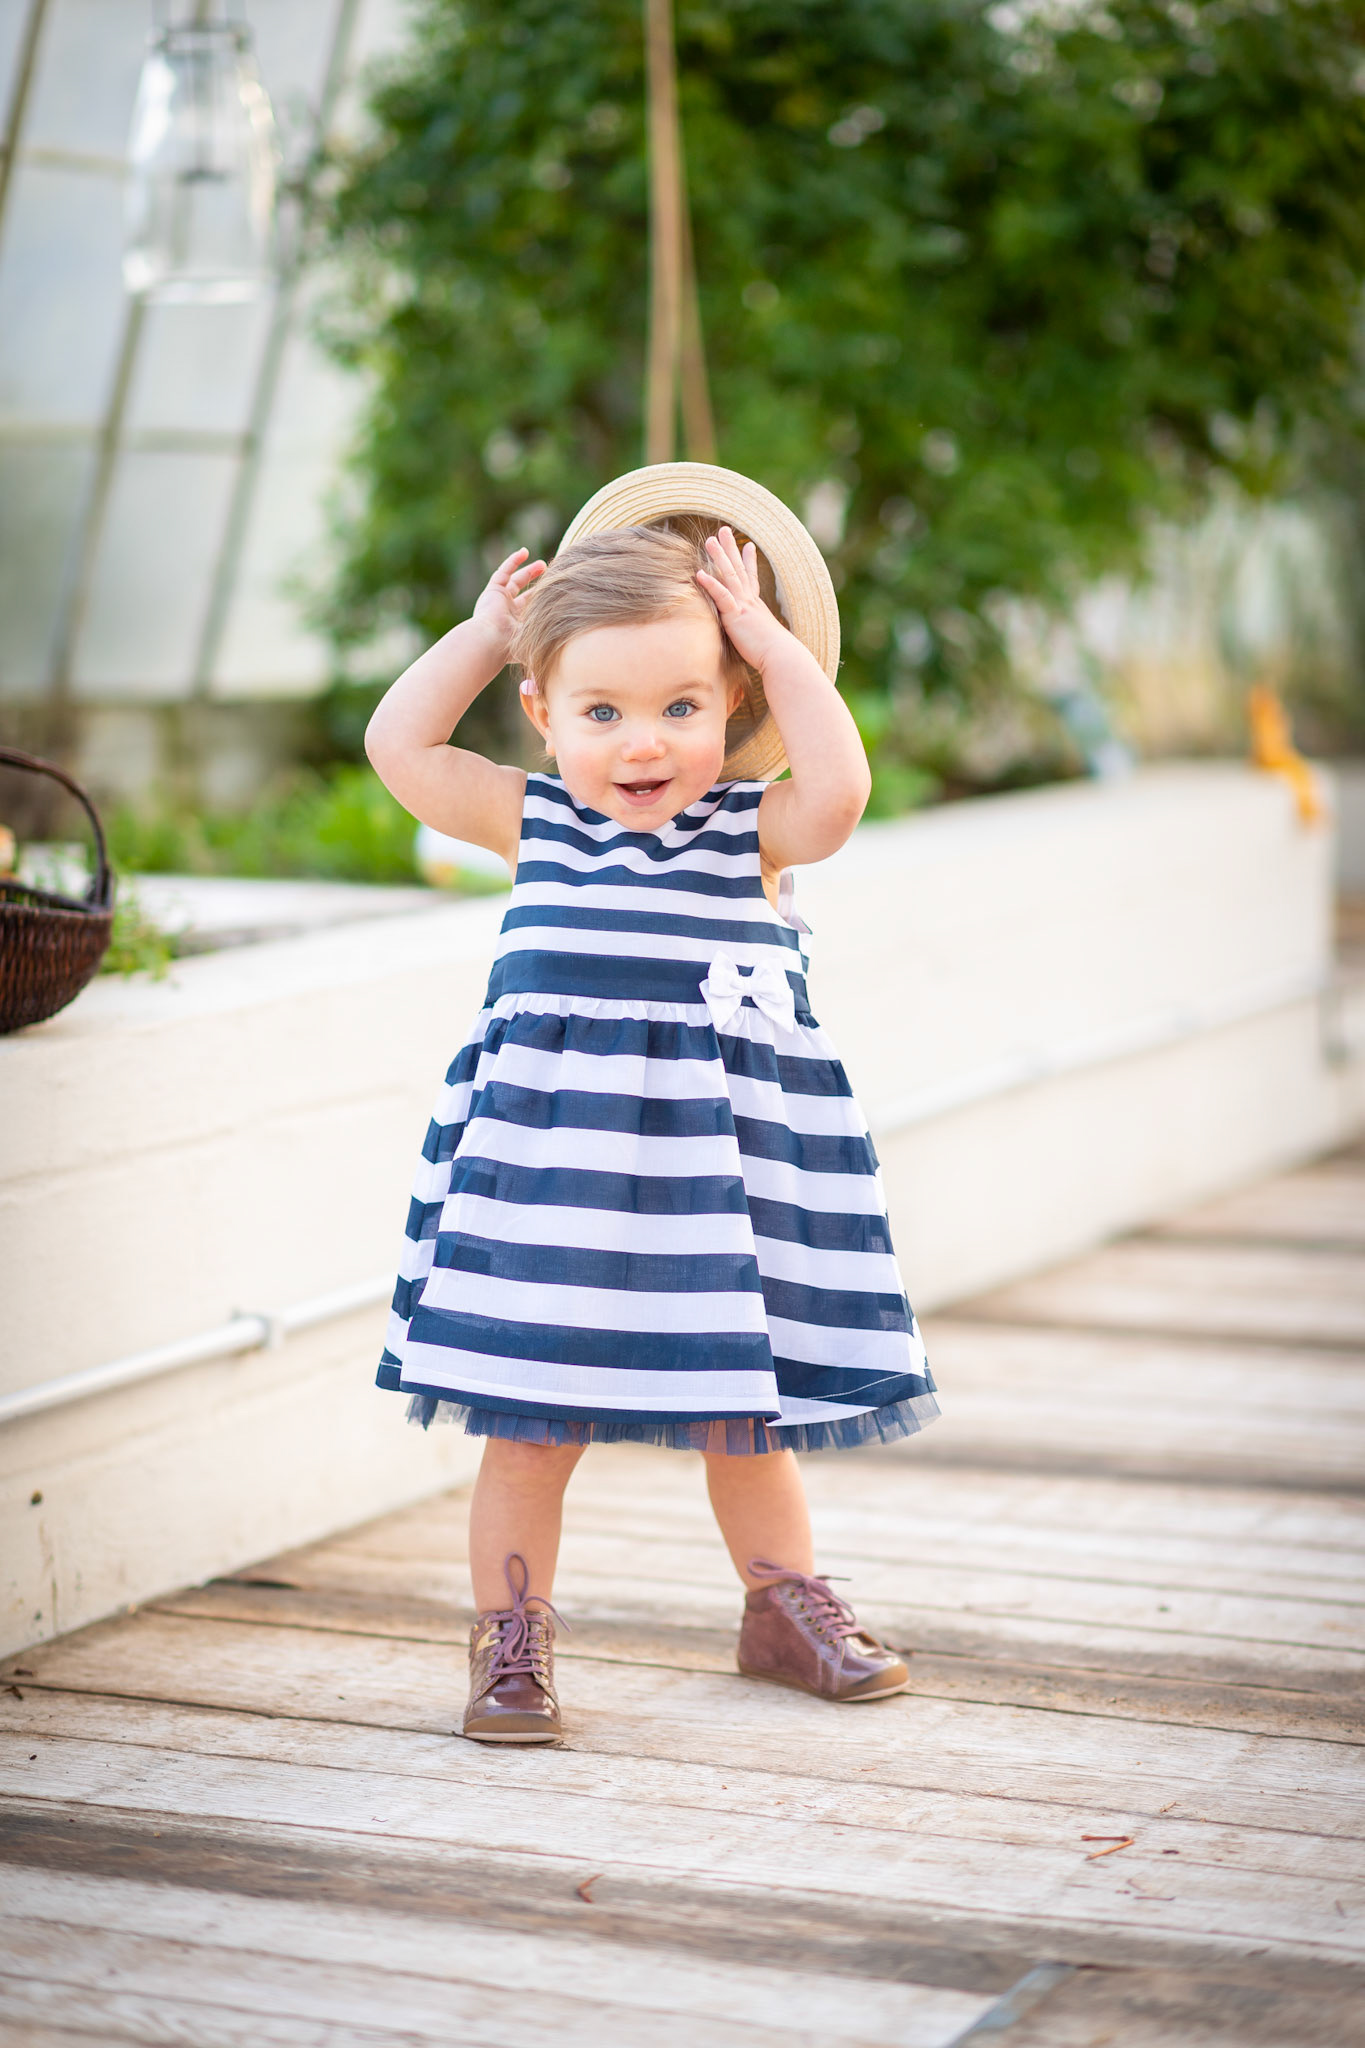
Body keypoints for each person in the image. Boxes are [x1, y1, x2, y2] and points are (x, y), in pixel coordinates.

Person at [365, 465, 938, 1743]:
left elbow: (841, 796)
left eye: (682, 705)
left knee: (746, 1414)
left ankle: (781, 1605)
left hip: (717, 1193)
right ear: (541, 711)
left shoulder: (749, 831)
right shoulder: (531, 819)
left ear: (732, 700)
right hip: (555, 1187)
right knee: (530, 1424)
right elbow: (397, 747)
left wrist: (772, 643)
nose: (643, 742)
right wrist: (481, 634)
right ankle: (512, 1639)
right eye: (602, 710)